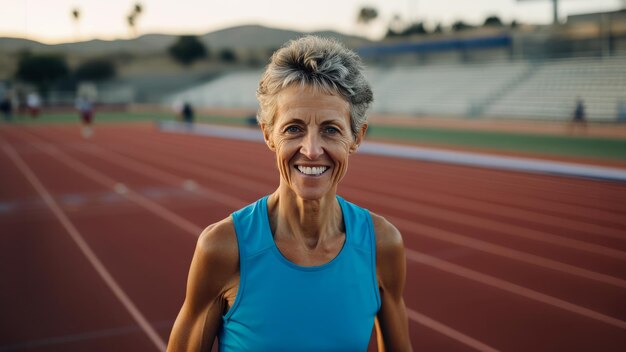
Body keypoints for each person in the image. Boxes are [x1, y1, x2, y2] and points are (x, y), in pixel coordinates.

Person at [168, 36, 412, 351]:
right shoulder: (223, 248)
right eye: (293, 128)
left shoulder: (382, 244)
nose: (311, 150)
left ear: (357, 137)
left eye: (331, 129)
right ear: (268, 134)